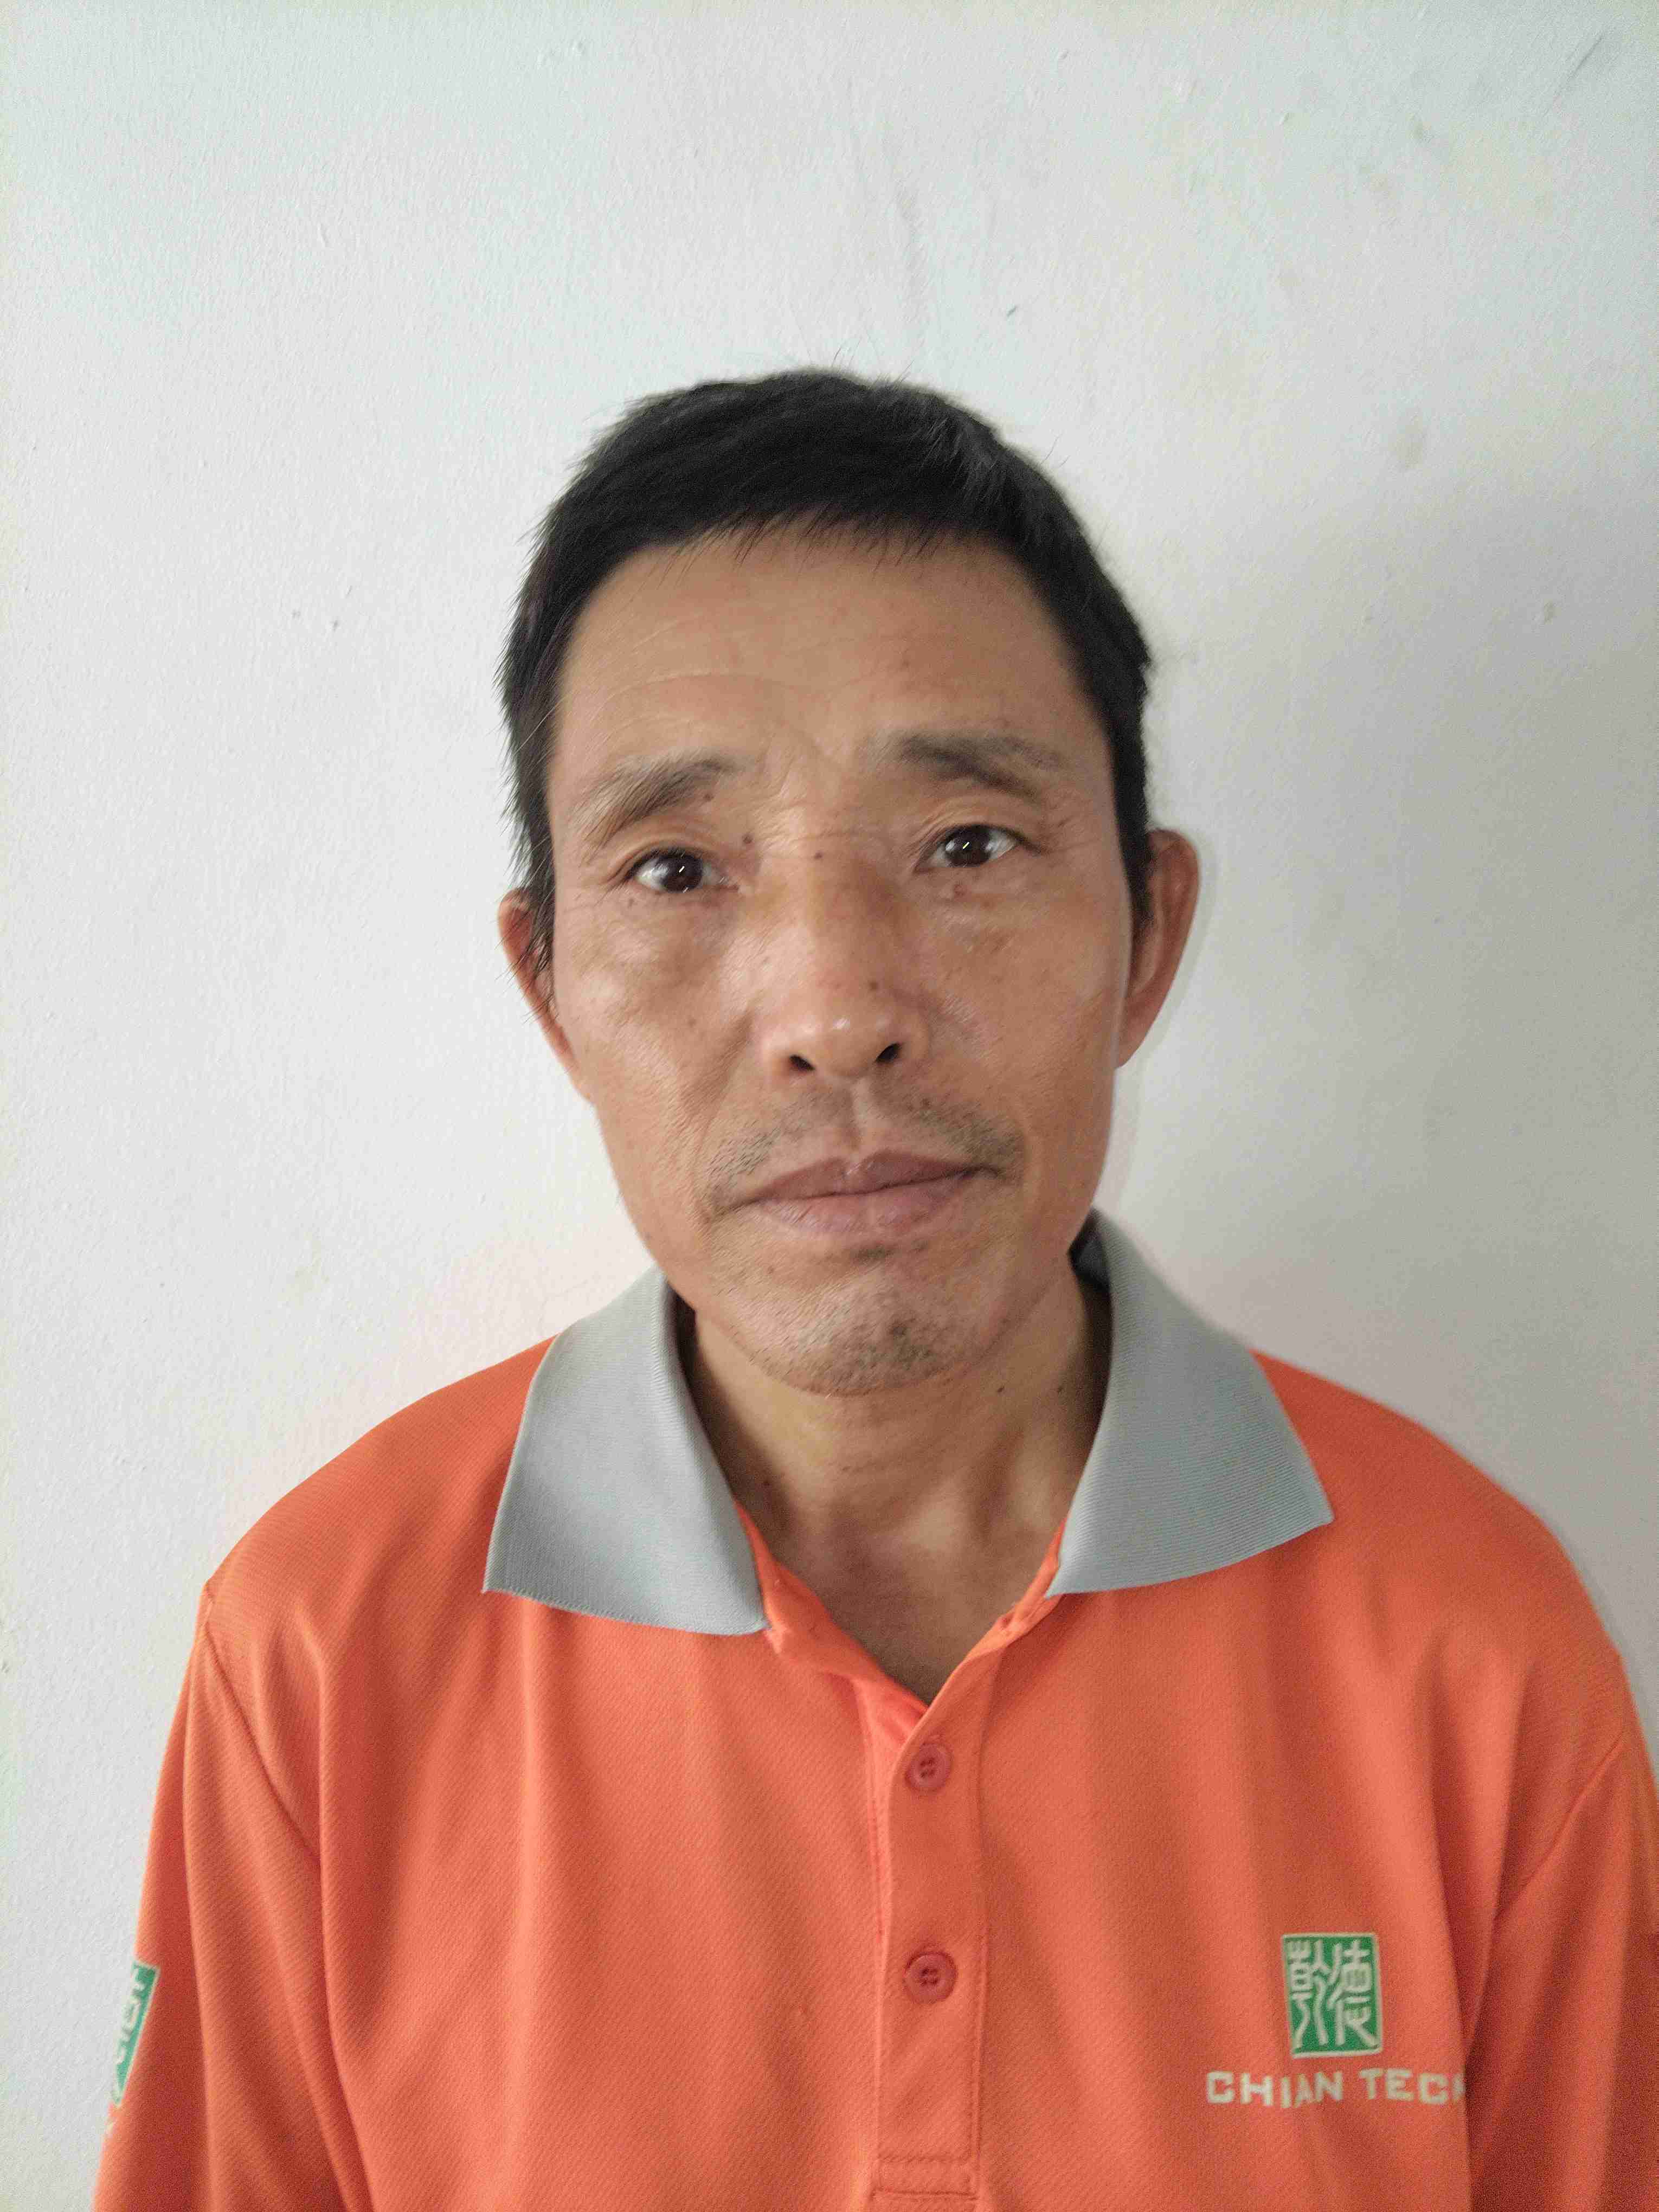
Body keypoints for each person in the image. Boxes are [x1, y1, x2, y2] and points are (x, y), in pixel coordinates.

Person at [94, 369, 1658, 2209]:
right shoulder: (323, 1656)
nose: (838, 1011)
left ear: (1147, 935)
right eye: (677, 868)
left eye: (967, 847)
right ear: (550, 993)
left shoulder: (1473, 1647)